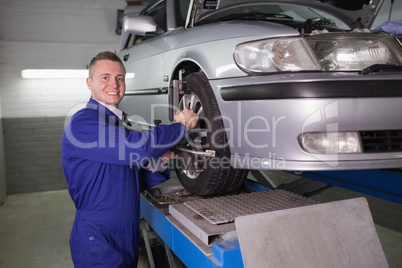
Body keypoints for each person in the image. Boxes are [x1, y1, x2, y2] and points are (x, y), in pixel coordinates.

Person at [61, 51, 198, 267]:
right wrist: (180, 128)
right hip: (98, 236)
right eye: (105, 77)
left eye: (119, 78)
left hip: (124, 233)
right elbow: (139, 148)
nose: (114, 84)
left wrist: (160, 160)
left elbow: (126, 181)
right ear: (90, 83)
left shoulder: (113, 124)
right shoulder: (83, 123)